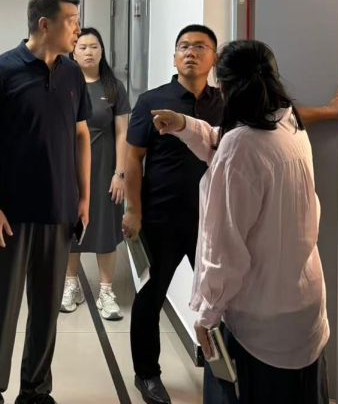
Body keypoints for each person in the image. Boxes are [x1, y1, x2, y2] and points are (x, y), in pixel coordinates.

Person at [151, 39, 330, 404]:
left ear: (226, 86)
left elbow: (225, 250)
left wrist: (207, 314)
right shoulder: (288, 125)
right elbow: (226, 144)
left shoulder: (242, 145)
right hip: (304, 307)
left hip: (258, 322)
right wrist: (184, 124)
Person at [0, 0, 92, 404]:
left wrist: (84, 198)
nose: (78, 29)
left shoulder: (72, 73)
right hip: (9, 215)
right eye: (71, 21)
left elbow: (81, 135)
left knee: (46, 311)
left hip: (58, 212)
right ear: (45, 24)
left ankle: (36, 390)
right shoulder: (1, 71)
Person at [124, 25, 224, 404]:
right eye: (183, 46)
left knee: (220, 300)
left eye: (200, 47)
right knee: (150, 298)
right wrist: (133, 210)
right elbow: (133, 158)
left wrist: (328, 112)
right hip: (160, 217)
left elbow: (272, 122)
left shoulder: (227, 101)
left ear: (214, 58)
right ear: (174, 56)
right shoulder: (152, 100)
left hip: (212, 222)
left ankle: (222, 372)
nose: (190, 53)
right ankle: (147, 374)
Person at [61, 27, 131, 320]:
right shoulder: (64, 84)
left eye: (94, 46)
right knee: (70, 229)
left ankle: (106, 291)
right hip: (69, 168)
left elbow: (123, 132)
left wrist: (120, 174)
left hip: (104, 170)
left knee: (105, 230)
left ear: (102, 51)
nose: (88, 52)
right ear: (73, 52)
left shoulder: (114, 87)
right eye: (82, 47)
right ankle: (71, 285)